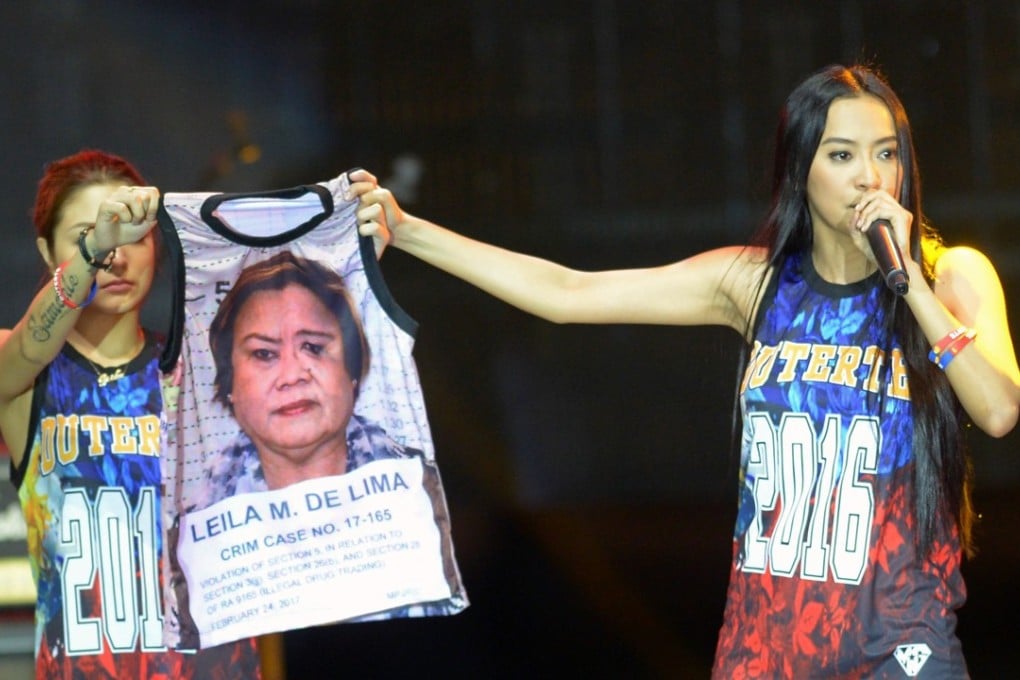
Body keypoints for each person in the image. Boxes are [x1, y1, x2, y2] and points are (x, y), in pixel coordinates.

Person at [351, 63, 1020, 677]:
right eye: (841, 155)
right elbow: (568, 294)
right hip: (769, 649)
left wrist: (912, 289)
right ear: (801, 172)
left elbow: (997, 410)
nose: (869, 177)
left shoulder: (951, 274)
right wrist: (408, 231)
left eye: (885, 154)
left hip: (902, 648)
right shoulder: (754, 284)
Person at [0, 150, 262, 678]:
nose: (114, 256)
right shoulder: (23, 373)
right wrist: (94, 248)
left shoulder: (212, 377)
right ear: (50, 253)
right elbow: (29, 348)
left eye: (131, 237)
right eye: (91, 237)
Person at [206, 250, 414, 495]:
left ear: (352, 367)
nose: (292, 376)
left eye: (313, 347)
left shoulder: (420, 485)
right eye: (264, 354)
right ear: (230, 384)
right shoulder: (187, 526)